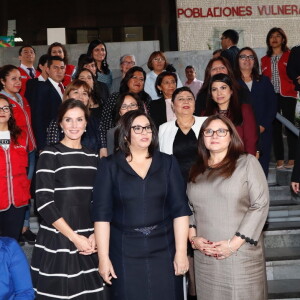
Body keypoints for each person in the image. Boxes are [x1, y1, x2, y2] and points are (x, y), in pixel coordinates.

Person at [92, 110, 191, 300]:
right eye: (137, 128)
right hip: (124, 249)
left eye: (147, 128)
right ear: (125, 133)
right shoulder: (109, 166)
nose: (144, 132)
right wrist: (103, 258)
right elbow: (102, 215)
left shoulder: (168, 162)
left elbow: (180, 211)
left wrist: (181, 252)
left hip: (165, 248)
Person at [31, 99, 107, 299]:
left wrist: (94, 236)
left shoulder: (93, 158)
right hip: (59, 237)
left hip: (89, 240)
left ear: (86, 123)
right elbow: (44, 202)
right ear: (60, 123)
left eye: (79, 119)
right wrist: (74, 238)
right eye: (68, 120)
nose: (74, 125)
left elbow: (99, 201)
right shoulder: (50, 153)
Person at [187, 114, 269, 300]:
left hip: (240, 254)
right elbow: (190, 207)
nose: (214, 135)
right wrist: (194, 239)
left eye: (221, 131)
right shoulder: (197, 169)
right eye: (209, 131)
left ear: (231, 136)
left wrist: (233, 245)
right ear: (202, 138)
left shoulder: (247, 163)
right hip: (205, 257)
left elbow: (260, 204)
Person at [159, 87, 206, 299]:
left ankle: (202, 289)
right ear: (172, 105)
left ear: (195, 104)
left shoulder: (207, 124)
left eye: (190, 98)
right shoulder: (163, 129)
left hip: (205, 190)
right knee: (181, 241)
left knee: (202, 237)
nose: (186, 101)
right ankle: (185, 291)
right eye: (181, 99)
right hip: (176, 192)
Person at [235, 47, 277, 176]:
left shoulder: (264, 81)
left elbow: (273, 105)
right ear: (237, 61)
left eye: (251, 57)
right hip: (241, 134)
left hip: (262, 132)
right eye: (243, 56)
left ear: (255, 61)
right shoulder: (233, 83)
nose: (247, 60)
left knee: (261, 170)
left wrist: (263, 125)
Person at [261, 27, 297, 169]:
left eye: (277, 36)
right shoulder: (264, 59)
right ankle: (280, 159)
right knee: (274, 127)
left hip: (288, 94)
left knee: (289, 126)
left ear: (283, 39)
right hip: (271, 97)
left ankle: (293, 158)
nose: (274, 39)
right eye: (271, 36)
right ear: (268, 40)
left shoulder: (290, 55)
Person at [100, 66, 151, 156]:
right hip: (117, 141)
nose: (138, 81)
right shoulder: (115, 97)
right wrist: (104, 147)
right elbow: (105, 124)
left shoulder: (146, 99)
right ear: (127, 79)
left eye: (141, 79)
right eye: (134, 77)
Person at [0, 95, 31, 240]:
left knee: (11, 243)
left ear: (11, 112)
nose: (2, 111)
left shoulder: (22, 136)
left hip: (18, 200)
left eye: (6, 108)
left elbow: (26, 168)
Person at [205, 73, 258, 156]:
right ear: (211, 94)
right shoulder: (206, 114)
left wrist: (247, 162)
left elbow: (251, 141)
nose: (219, 93)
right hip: (214, 162)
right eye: (214, 89)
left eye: (223, 88)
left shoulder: (244, 110)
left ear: (231, 90)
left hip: (239, 161)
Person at [46, 79, 103, 155]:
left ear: (88, 99)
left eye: (84, 93)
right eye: (76, 92)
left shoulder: (96, 122)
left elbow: (103, 152)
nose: (80, 97)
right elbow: (51, 152)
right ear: (67, 97)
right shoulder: (57, 122)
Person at [30, 56, 66, 151]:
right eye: (55, 67)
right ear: (47, 70)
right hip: (49, 141)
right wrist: (41, 146)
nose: (59, 71)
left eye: (62, 68)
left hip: (66, 138)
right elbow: (37, 118)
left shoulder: (66, 89)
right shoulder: (41, 88)